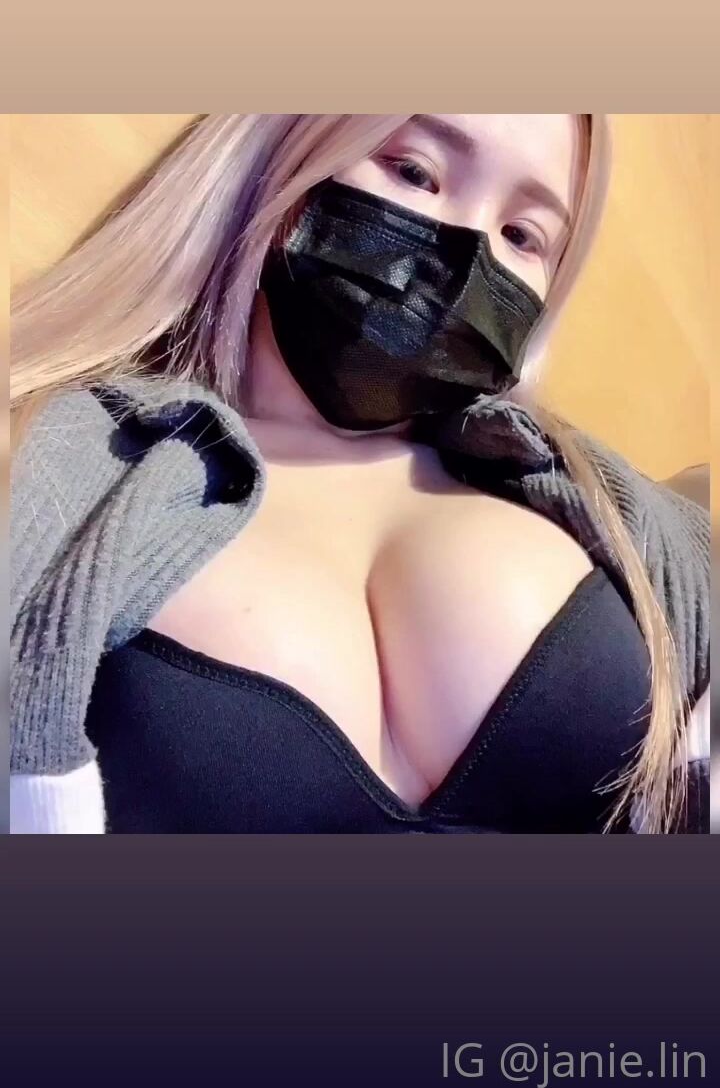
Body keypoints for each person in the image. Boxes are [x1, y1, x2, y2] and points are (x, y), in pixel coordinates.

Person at [9, 114, 710, 834]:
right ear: (290, 154)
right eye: (414, 172)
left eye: (522, 236)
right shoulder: (55, 468)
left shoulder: (621, 517)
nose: (467, 252)